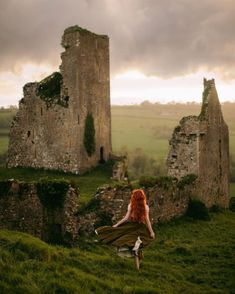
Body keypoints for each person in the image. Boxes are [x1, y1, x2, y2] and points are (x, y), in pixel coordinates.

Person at [95, 189, 155, 270]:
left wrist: (117, 225)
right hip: (140, 228)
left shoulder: (131, 205)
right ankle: (137, 268)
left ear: (134, 197)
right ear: (142, 197)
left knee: (135, 247)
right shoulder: (145, 207)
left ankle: (137, 267)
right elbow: (147, 221)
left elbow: (126, 218)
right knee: (136, 248)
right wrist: (151, 232)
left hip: (132, 227)